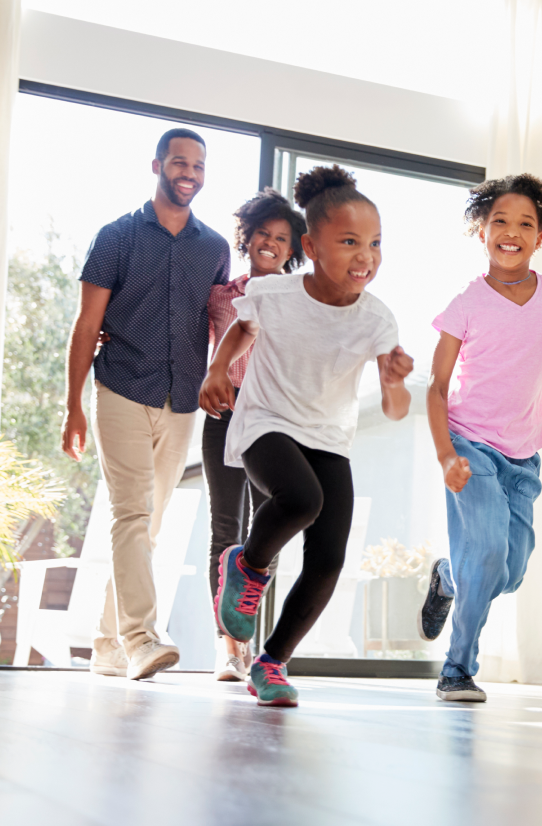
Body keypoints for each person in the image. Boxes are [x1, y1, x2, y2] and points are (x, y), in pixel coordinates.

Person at [199, 165, 414, 707]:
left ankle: (270, 664)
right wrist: (217, 370)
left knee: (329, 559)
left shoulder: (377, 320)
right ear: (312, 246)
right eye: (349, 242)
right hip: (264, 421)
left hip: (327, 437)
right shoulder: (275, 294)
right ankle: (247, 565)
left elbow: (395, 409)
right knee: (301, 499)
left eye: (375, 243)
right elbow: (241, 328)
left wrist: (392, 383)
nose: (365, 256)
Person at [61, 127, 230, 681]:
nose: (189, 173)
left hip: (182, 398)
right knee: (131, 513)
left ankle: (106, 643)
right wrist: (73, 405)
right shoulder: (117, 237)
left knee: (147, 526)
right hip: (121, 388)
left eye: (198, 166)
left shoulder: (214, 248)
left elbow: (222, 321)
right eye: (180, 163)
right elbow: (87, 326)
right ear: (157, 164)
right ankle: (141, 639)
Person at [418, 173, 542, 702]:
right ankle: (457, 669)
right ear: (482, 231)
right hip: (470, 447)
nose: (512, 232)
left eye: (526, 224)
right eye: (500, 222)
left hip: (523, 458)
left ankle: (449, 577)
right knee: (489, 555)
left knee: (510, 573)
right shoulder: (466, 303)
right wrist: (447, 454)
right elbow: (437, 388)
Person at [203, 188, 306, 682]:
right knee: (226, 531)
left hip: (272, 423)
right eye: (263, 233)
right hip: (223, 415)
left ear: (293, 249)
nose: (270, 242)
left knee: (269, 534)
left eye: (281, 238)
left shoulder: (298, 298)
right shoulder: (222, 294)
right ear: (248, 238)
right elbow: (183, 334)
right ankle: (230, 650)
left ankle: (267, 653)